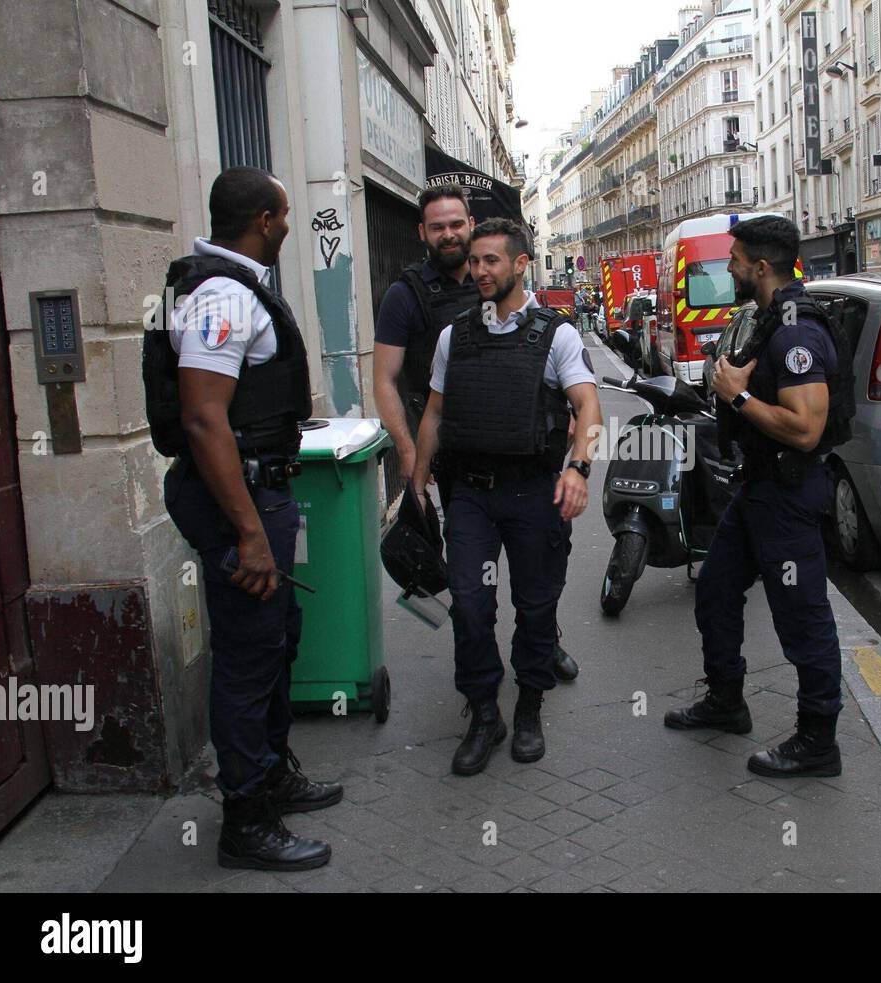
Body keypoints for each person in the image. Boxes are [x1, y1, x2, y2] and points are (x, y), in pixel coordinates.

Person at [143, 166, 341, 871]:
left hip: (253, 490)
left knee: (276, 636)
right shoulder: (224, 295)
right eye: (285, 214)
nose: (289, 225)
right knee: (249, 656)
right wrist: (251, 532)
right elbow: (203, 417)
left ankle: (273, 773)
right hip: (240, 499)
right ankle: (246, 820)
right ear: (263, 219)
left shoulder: (214, 284)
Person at [410, 218, 603, 776]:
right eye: (474, 261)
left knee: (535, 607)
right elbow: (434, 412)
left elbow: (588, 408)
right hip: (470, 493)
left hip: (534, 493)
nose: (479, 271)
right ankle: (485, 712)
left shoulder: (556, 335)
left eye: (491, 260)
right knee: (470, 606)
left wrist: (579, 469)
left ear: (520, 264)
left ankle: (530, 708)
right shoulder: (456, 336)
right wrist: (417, 483)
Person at [373, 185, 580, 681]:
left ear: (471, 225)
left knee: (539, 575)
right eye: (437, 227)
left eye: (456, 225)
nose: (449, 235)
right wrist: (411, 469)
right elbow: (386, 382)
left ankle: (541, 643)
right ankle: (481, 682)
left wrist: (572, 453)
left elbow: (574, 384)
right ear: (422, 232)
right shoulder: (407, 296)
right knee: (469, 588)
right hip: (456, 459)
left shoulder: (502, 280)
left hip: (528, 459)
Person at [664, 215, 845, 779]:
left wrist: (737, 398)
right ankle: (727, 700)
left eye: (736, 260)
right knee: (715, 589)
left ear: (760, 267)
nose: (730, 268)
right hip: (759, 488)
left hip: (789, 494)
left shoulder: (797, 331)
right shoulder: (773, 317)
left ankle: (818, 739)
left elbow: (806, 427)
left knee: (803, 617)